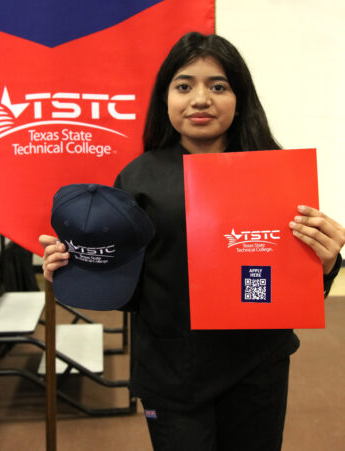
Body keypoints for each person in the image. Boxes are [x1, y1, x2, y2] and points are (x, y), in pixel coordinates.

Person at [40, 32, 344, 451]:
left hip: (257, 365)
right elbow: (129, 288)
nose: (200, 99)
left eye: (218, 86)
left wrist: (326, 263)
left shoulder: (274, 173)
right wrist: (78, 263)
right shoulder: (138, 178)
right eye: (184, 86)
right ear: (165, 98)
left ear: (240, 99)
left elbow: (291, 282)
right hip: (171, 369)